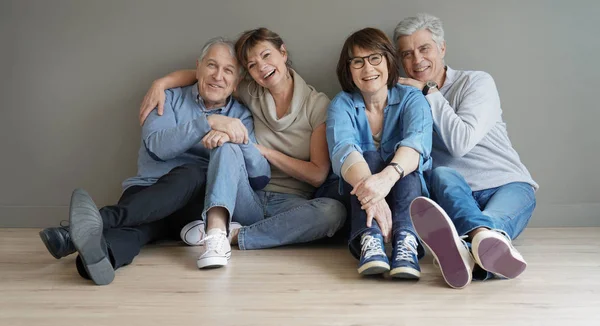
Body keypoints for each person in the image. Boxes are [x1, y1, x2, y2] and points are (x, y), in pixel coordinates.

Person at [39, 37, 268, 285]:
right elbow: (158, 146)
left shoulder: (240, 115)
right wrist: (207, 123)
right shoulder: (167, 98)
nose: (218, 76)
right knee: (138, 230)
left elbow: (260, 176)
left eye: (228, 71)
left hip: (191, 209)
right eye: (212, 65)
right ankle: (99, 258)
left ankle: (86, 227)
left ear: (236, 83)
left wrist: (240, 140)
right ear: (198, 67)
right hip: (148, 192)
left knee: (194, 173)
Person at [140, 28, 346, 267]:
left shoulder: (317, 105)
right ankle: (215, 235)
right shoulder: (251, 91)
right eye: (252, 65)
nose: (262, 67)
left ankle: (236, 236)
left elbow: (318, 174)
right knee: (227, 143)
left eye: (267, 56)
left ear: (283, 53)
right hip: (246, 194)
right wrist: (161, 83)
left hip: (290, 203)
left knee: (333, 212)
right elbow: (211, 77)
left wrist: (264, 151)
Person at [393, 14, 538, 288]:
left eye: (424, 49)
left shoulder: (476, 82)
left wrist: (428, 91)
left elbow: (460, 142)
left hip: (507, 184)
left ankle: (466, 247)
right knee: (441, 174)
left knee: (491, 228)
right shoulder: (406, 99)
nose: (417, 60)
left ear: (442, 48)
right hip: (455, 192)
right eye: (407, 54)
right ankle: (478, 248)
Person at [326, 27, 432, 278]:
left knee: (407, 165)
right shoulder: (341, 104)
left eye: (375, 58)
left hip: (406, 190)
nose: (368, 68)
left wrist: (385, 180)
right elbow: (343, 149)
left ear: (388, 60)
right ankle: (370, 240)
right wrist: (374, 195)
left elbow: (417, 144)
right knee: (369, 157)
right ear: (348, 69)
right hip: (355, 196)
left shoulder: (412, 99)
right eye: (357, 62)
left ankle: (406, 241)